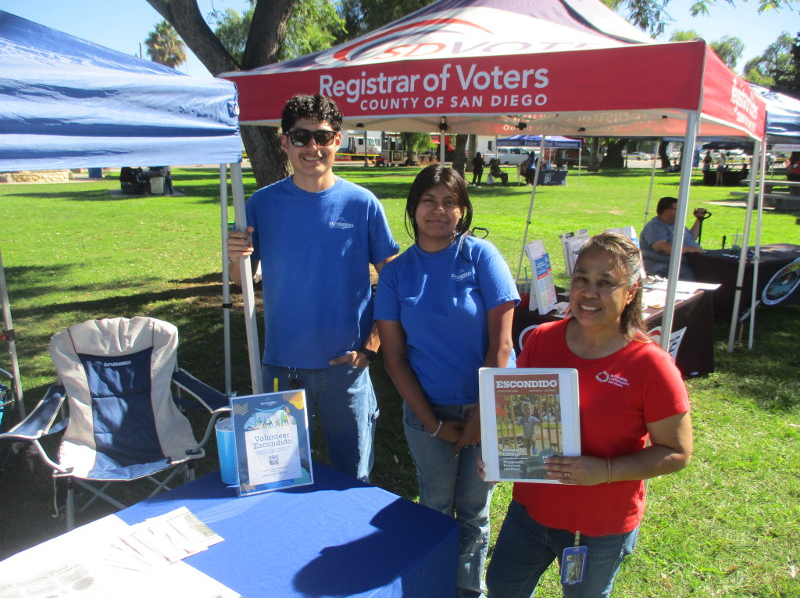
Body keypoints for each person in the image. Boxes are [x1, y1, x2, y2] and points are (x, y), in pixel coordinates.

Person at [485, 232, 693, 598]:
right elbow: (519, 416)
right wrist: (501, 455)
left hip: (598, 527)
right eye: (581, 278)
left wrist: (605, 470)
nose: (589, 292)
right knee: (502, 588)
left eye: (605, 283)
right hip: (530, 510)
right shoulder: (542, 339)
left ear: (631, 292)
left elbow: (677, 452)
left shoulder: (650, 365)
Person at [226, 94, 399, 483]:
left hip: (346, 368)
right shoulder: (261, 205)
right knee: (275, 478)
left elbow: (394, 281)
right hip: (280, 365)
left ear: (338, 140)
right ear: (284, 142)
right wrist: (235, 256)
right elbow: (241, 281)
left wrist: (372, 344)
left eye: (322, 137)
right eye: (301, 137)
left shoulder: (362, 204)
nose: (312, 147)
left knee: (351, 480)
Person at [374, 164, 519, 598]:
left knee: (474, 510)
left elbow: (502, 345)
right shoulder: (396, 273)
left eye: (450, 201)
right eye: (429, 200)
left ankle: (469, 589)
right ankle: (434, 586)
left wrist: (482, 416)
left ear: (463, 210)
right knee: (435, 506)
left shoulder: (481, 257)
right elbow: (394, 358)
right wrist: (434, 424)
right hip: (427, 412)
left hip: (489, 406)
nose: (438, 210)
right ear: (413, 208)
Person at [639, 197, 705, 280]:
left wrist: (699, 219)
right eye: (677, 209)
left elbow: (691, 237)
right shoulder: (655, 226)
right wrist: (689, 249)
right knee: (687, 273)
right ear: (666, 211)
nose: (681, 211)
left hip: (683, 263)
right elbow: (661, 248)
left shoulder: (676, 224)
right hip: (662, 266)